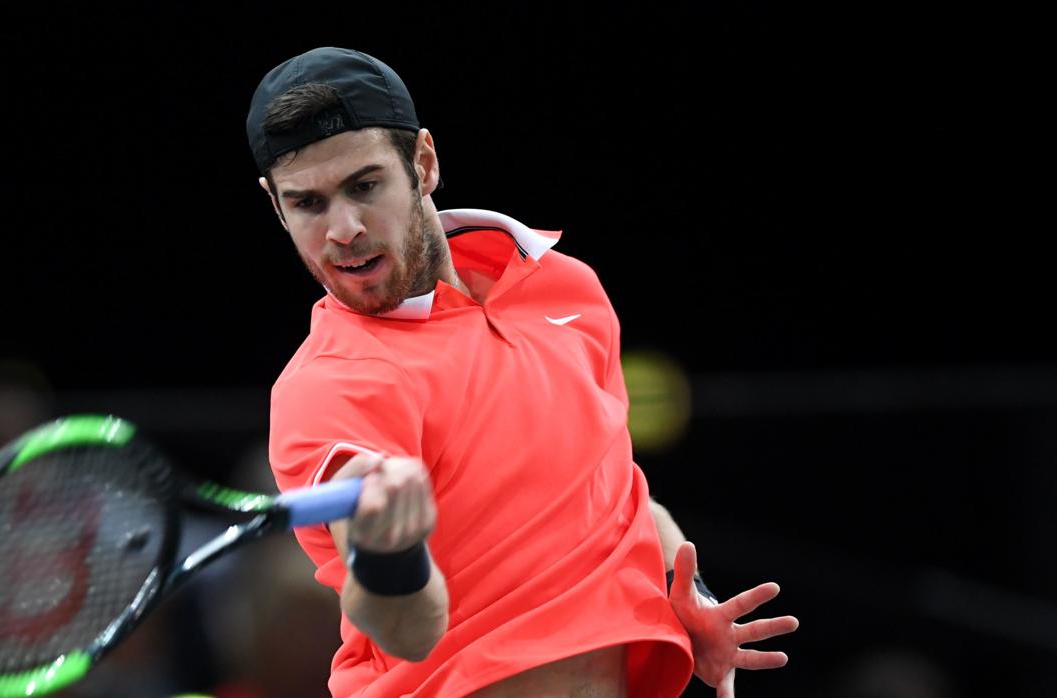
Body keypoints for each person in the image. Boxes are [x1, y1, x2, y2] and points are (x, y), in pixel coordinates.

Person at [248, 47, 798, 697]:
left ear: (423, 163)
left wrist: (693, 595)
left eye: (365, 186)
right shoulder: (330, 387)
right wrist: (388, 553)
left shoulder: (567, 291)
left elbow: (620, 493)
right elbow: (407, 631)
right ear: (277, 208)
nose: (343, 229)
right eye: (308, 203)